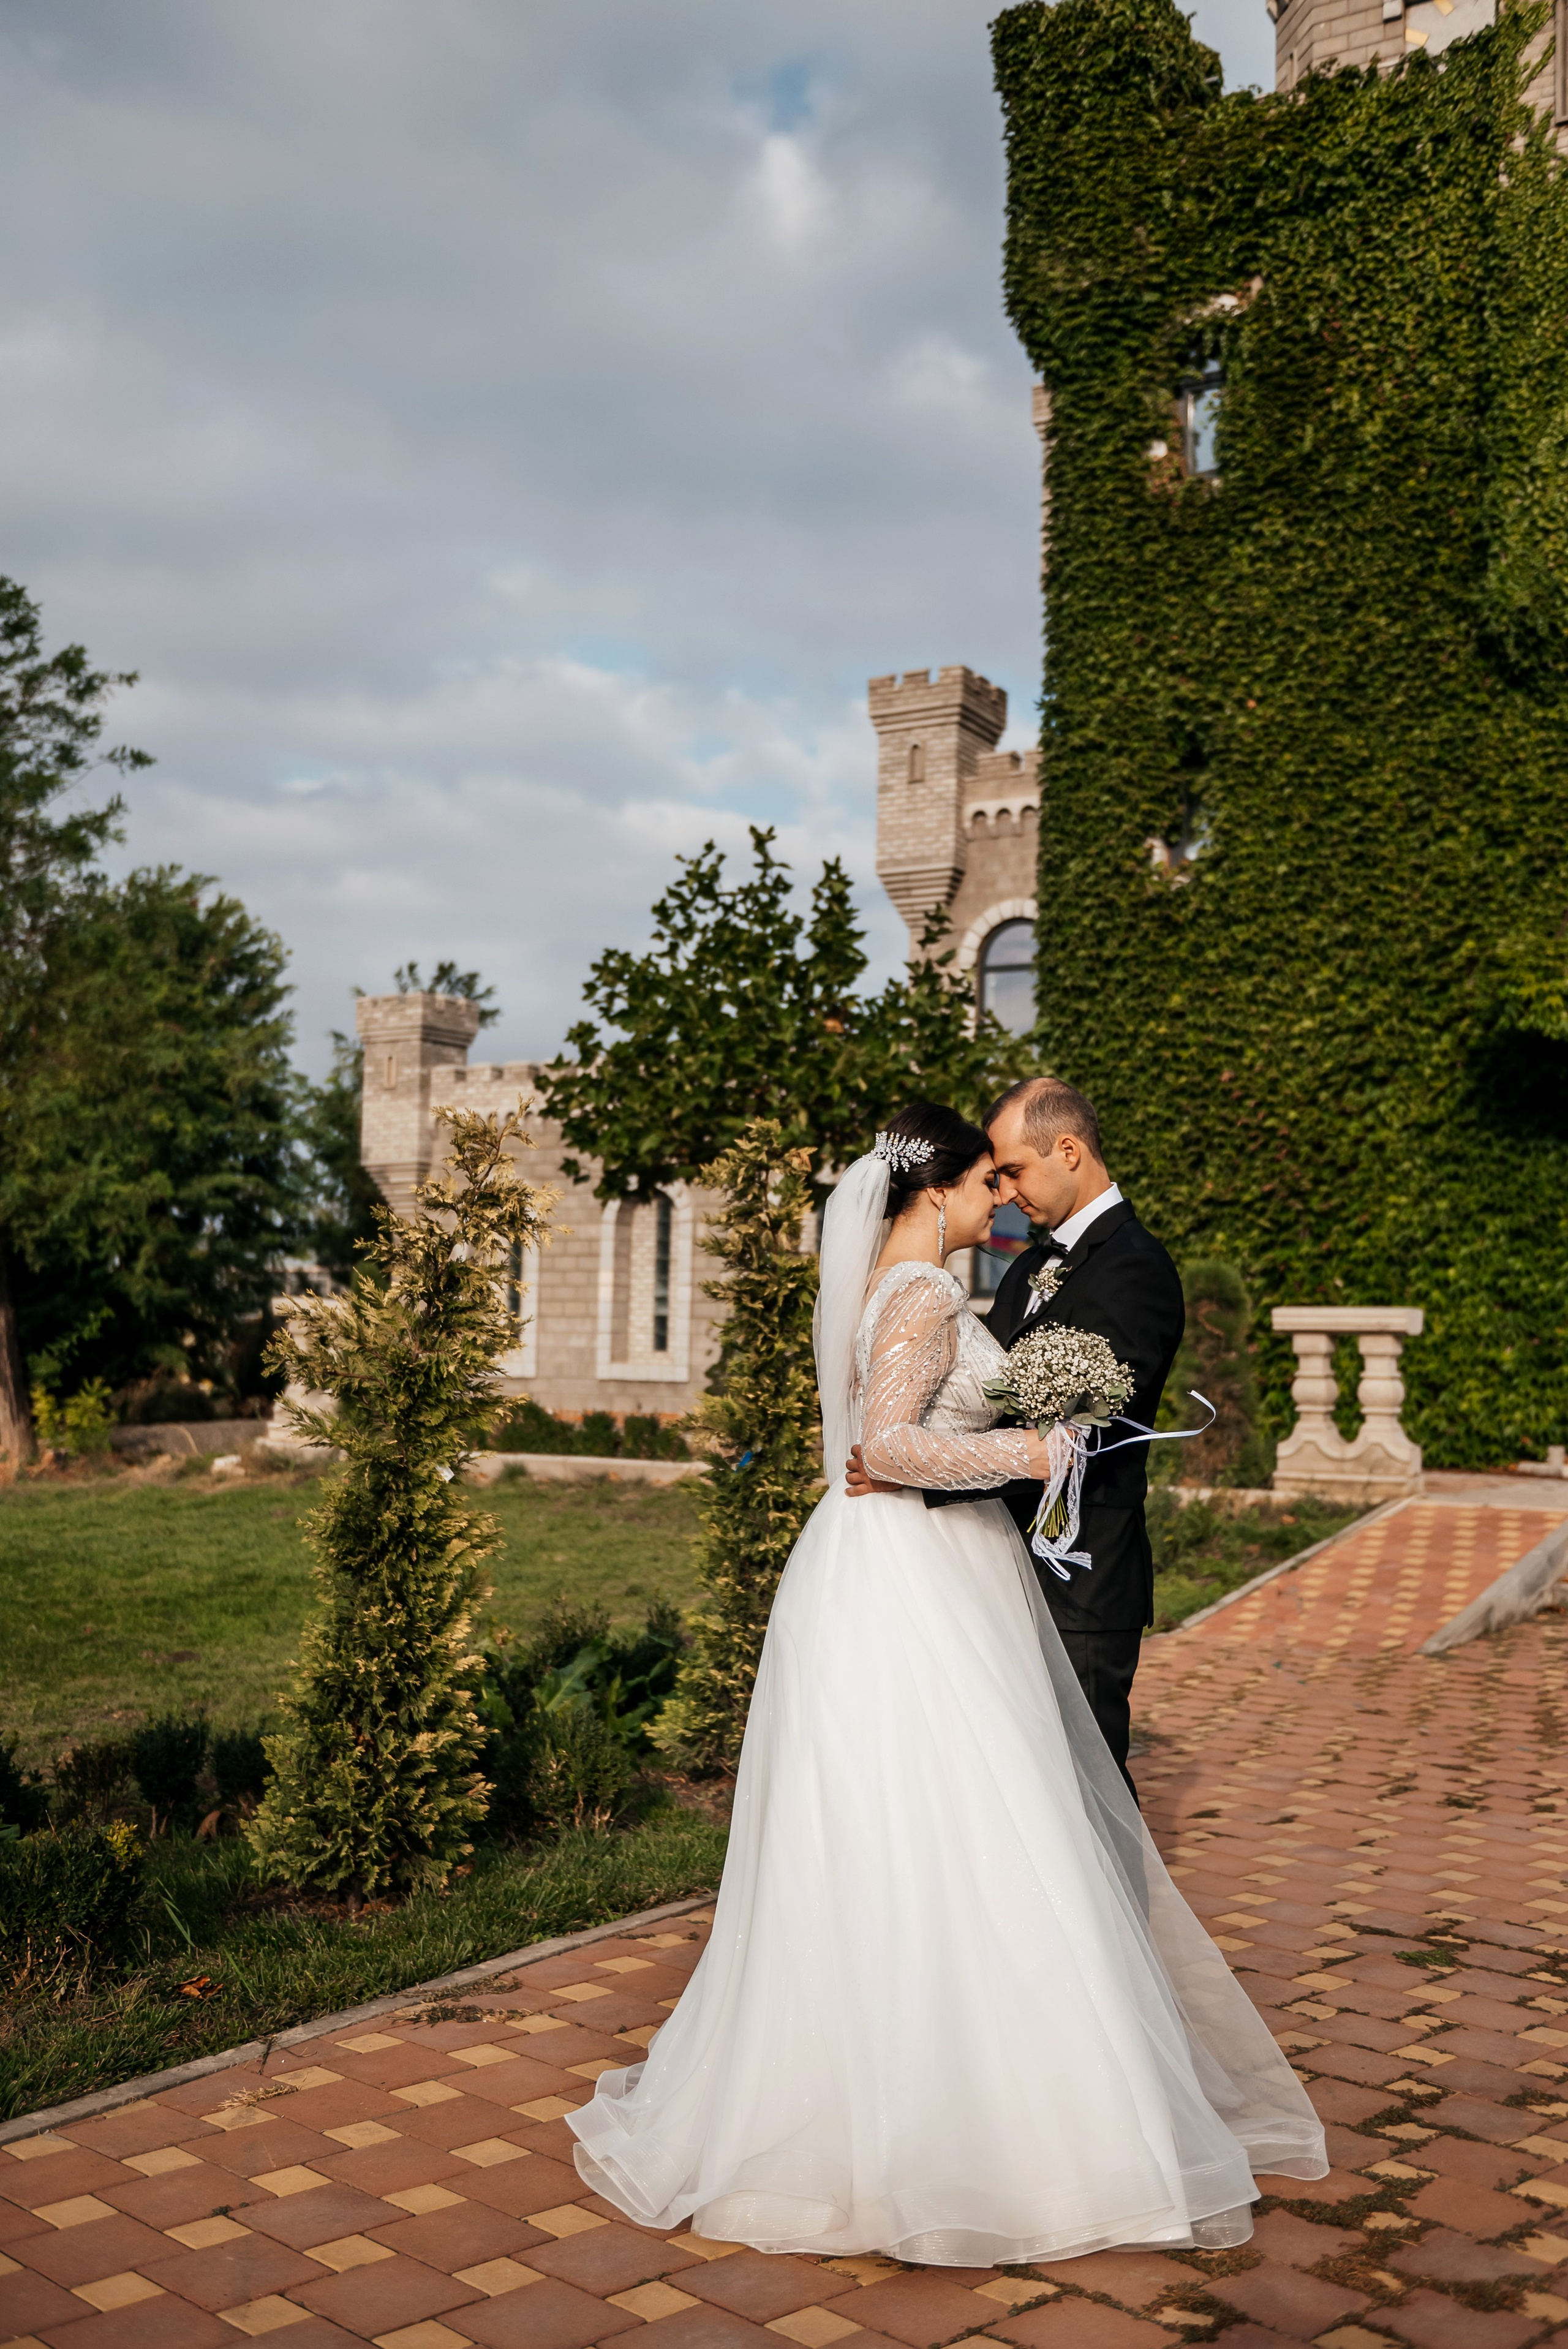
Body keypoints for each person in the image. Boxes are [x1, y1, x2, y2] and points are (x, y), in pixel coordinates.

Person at [567, 1104, 1325, 2264]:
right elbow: (888, 1448)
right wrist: (1033, 1449)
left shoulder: (914, 1282)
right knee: (972, 1829)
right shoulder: (922, 1293)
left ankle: (924, 2087)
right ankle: (991, 2120)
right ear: (933, 1193)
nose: (1000, 1202)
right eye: (985, 1181)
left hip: (917, 1567)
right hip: (922, 1573)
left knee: (923, 1833)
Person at [846, 1077, 1182, 1799]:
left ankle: (1108, 1919)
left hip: (1078, 1575)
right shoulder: (1027, 1265)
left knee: (1084, 1790)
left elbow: (1089, 1428)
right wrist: (907, 1450)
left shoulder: (1137, 1269)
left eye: (1014, 1171)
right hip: (987, 1564)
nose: (1004, 1190)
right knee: (1010, 1794)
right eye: (991, 1175)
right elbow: (989, 1402)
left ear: (1068, 1150)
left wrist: (911, 1466)